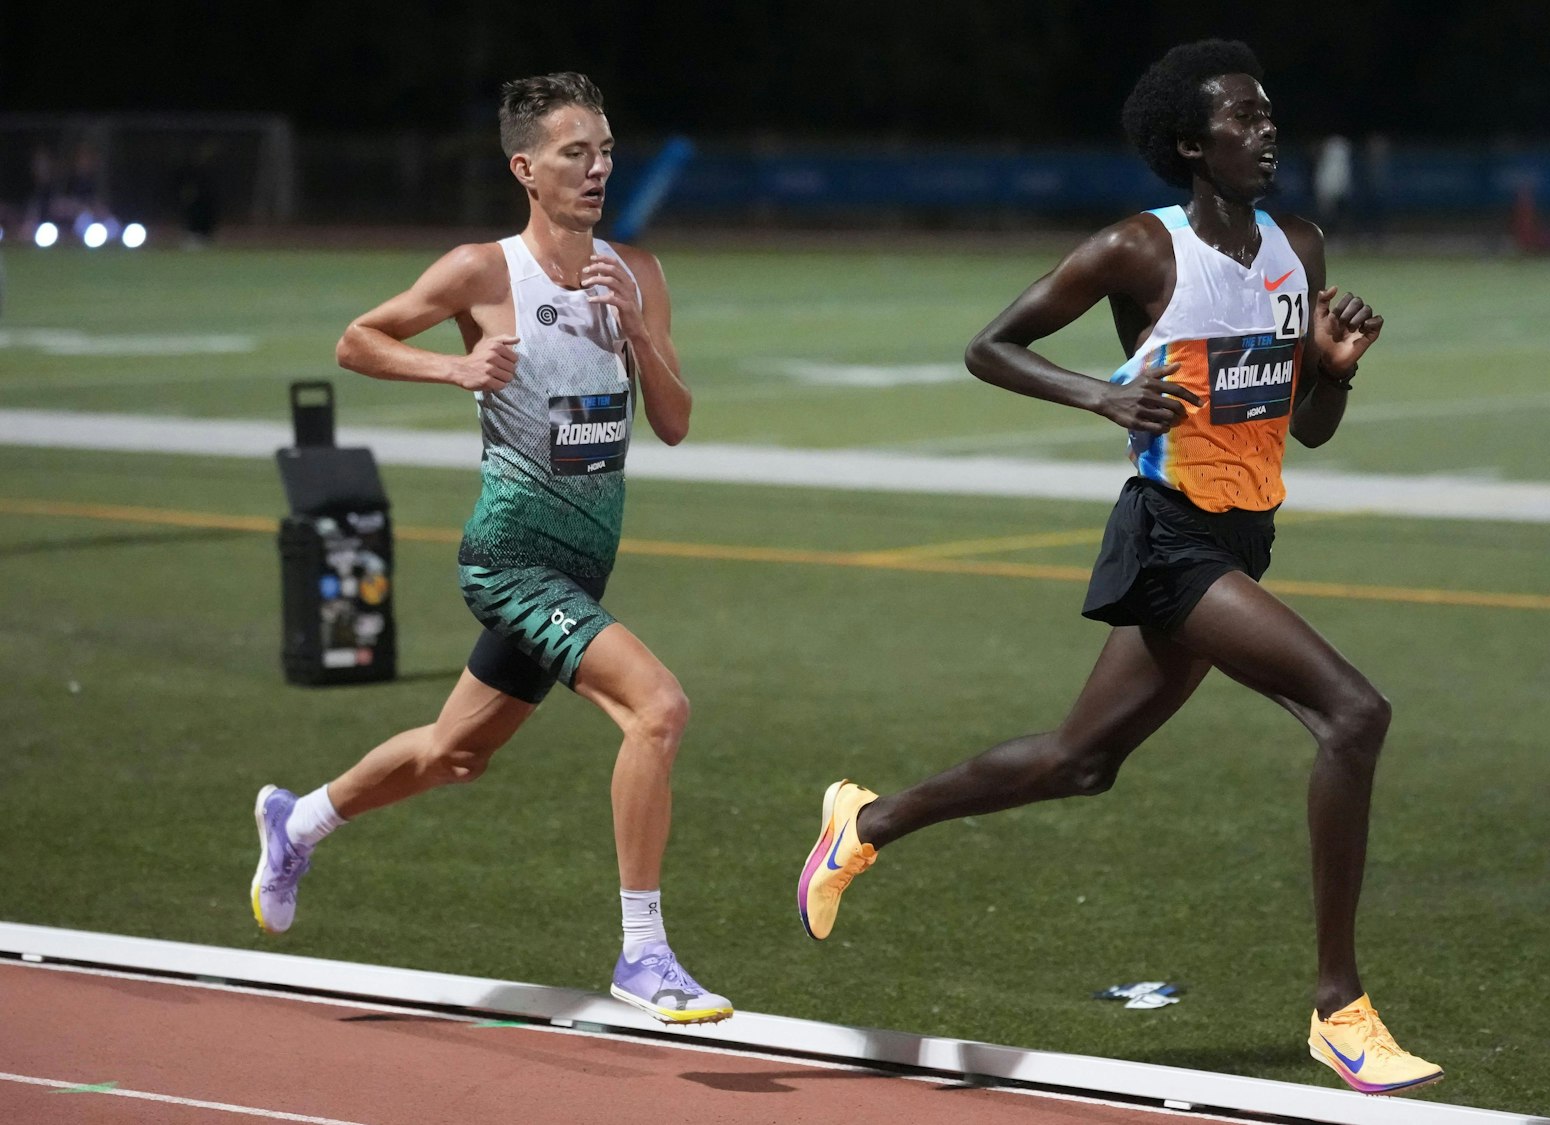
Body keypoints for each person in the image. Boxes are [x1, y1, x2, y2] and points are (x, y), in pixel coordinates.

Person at [797, 40, 1441, 1095]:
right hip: (1167, 533)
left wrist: (1331, 371)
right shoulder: (1138, 250)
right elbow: (988, 345)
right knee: (1350, 714)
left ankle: (861, 824)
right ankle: (1339, 1009)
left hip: (1242, 534)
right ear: (1190, 145)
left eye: (1268, 113)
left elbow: (1307, 429)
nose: (1266, 129)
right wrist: (1098, 395)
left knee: (1079, 762)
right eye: (1242, 118)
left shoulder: (1300, 248)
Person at [251, 72, 729, 1025]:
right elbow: (358, 340)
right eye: (573, 153)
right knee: (658, 709)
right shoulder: (482, 270)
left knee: (455, 753)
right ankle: (644, 954)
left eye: (604, 151)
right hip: (511, 559)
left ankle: (295, 820)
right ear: (525, 167)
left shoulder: (641, 271)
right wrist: (454, 366)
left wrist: (636, 328)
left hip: (584, 563)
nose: (596, 170)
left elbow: (672, 423)